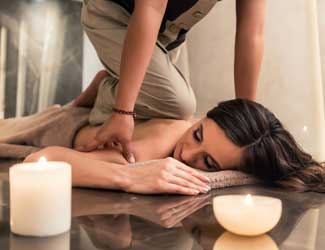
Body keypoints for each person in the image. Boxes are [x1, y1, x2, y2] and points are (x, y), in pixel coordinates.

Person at [25, 83, 325, 194]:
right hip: (50, 125)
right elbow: (40, 159)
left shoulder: (192, 124)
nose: (187, 154)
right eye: (197, 135)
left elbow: (107, 75)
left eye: (207, 162)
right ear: (205, 116)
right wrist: (128, 177)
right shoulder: (151, 147)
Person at [75, 0, 266, 162]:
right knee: (179, 106)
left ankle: (116, 81)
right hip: (114, 13)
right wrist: (122, 110)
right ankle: (107, 90)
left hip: (166, 37)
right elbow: (151, 8)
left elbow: (252, 32)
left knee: (165, 116)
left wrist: (246, 116)